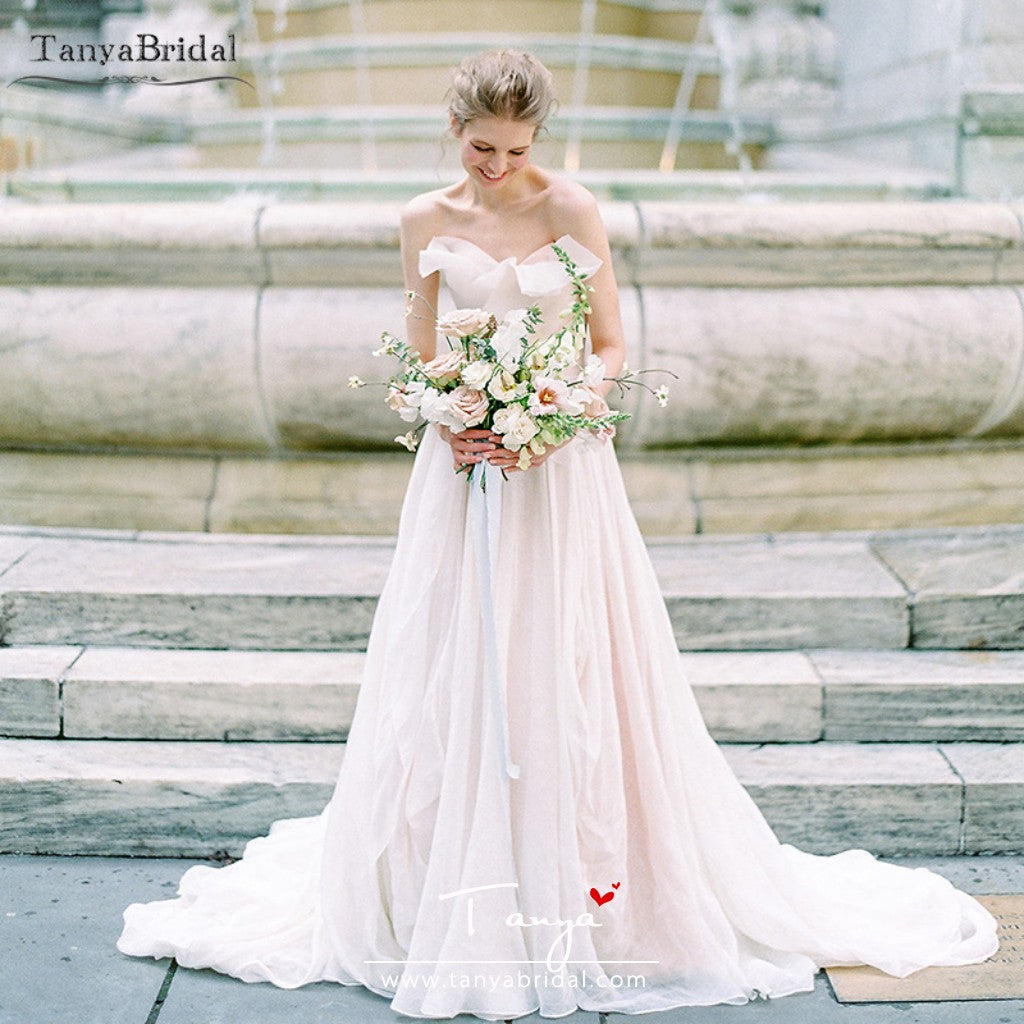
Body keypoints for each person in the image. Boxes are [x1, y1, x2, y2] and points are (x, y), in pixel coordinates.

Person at [116, 48, 999, 1021]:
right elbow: (417, 353)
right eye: (481, 147)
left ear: (537, 139)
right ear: (453, 132)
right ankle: (450, 880)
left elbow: (613, 341)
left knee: (568, 656)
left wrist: (557, 407)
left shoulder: (571, 208)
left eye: (514, 148)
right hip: (463, 471)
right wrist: (450, 413)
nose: (496, 165)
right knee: (455, 657)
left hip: (559, 465)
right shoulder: (421, 220)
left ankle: (578, 879)